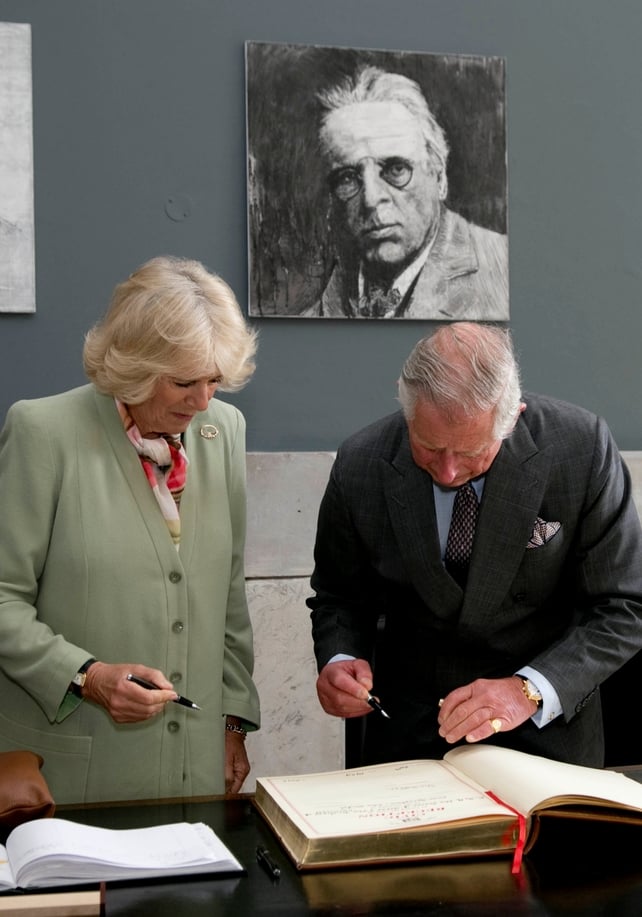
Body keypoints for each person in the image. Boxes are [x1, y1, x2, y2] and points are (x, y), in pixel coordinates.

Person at [308, 323, 642, 768]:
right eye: (427, 446)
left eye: (470, 452)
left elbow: (625, 606)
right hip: (406, 735)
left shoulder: (581, 449)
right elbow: (339, 598)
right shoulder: (361, 463)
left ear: (513, 416)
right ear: (406, 409)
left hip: (546, 735)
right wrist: (339, 657)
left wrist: (528, 690)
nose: (447, 472)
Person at [0, 255, 260, 804]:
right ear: (133, 366)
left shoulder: (224, 432)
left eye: (215, 380)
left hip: (195, 778)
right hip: (75, 781)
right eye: (184, 381)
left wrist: (232, 726)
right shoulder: (42, 433)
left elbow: (228, 597)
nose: (204, 400)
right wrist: (87, 676)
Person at [304, 66, 508, 320]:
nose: (371, 199)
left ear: (440, 177)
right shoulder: (318, 312)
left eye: (396, 169)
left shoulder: (506, 269)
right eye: (347, 178)